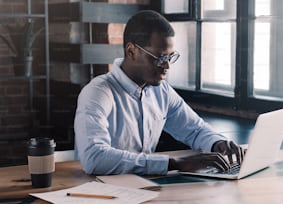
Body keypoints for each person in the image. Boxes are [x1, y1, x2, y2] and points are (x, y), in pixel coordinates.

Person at [74, 10, 244, 175]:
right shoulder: (98, 92)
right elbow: (95, 158)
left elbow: (195, 130)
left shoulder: (160, 91)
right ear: (131, 51)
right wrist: (174, 164)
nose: (167, 66)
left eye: (170, 57)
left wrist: (218, 143)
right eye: (160, 58)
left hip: (142, 188)